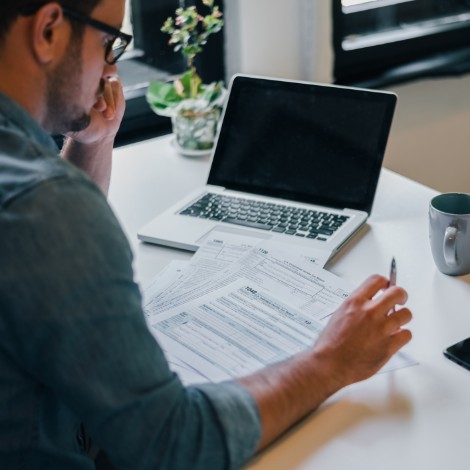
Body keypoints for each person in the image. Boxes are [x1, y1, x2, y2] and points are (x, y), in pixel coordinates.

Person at [0, 0, 413, 469]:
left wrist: (92, 144)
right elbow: (174, 443)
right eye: (107, 41)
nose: (110, 66)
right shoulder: (47, 207)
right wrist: (331, 359)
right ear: (49, 31)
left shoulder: (35, 197)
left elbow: (37, 249)